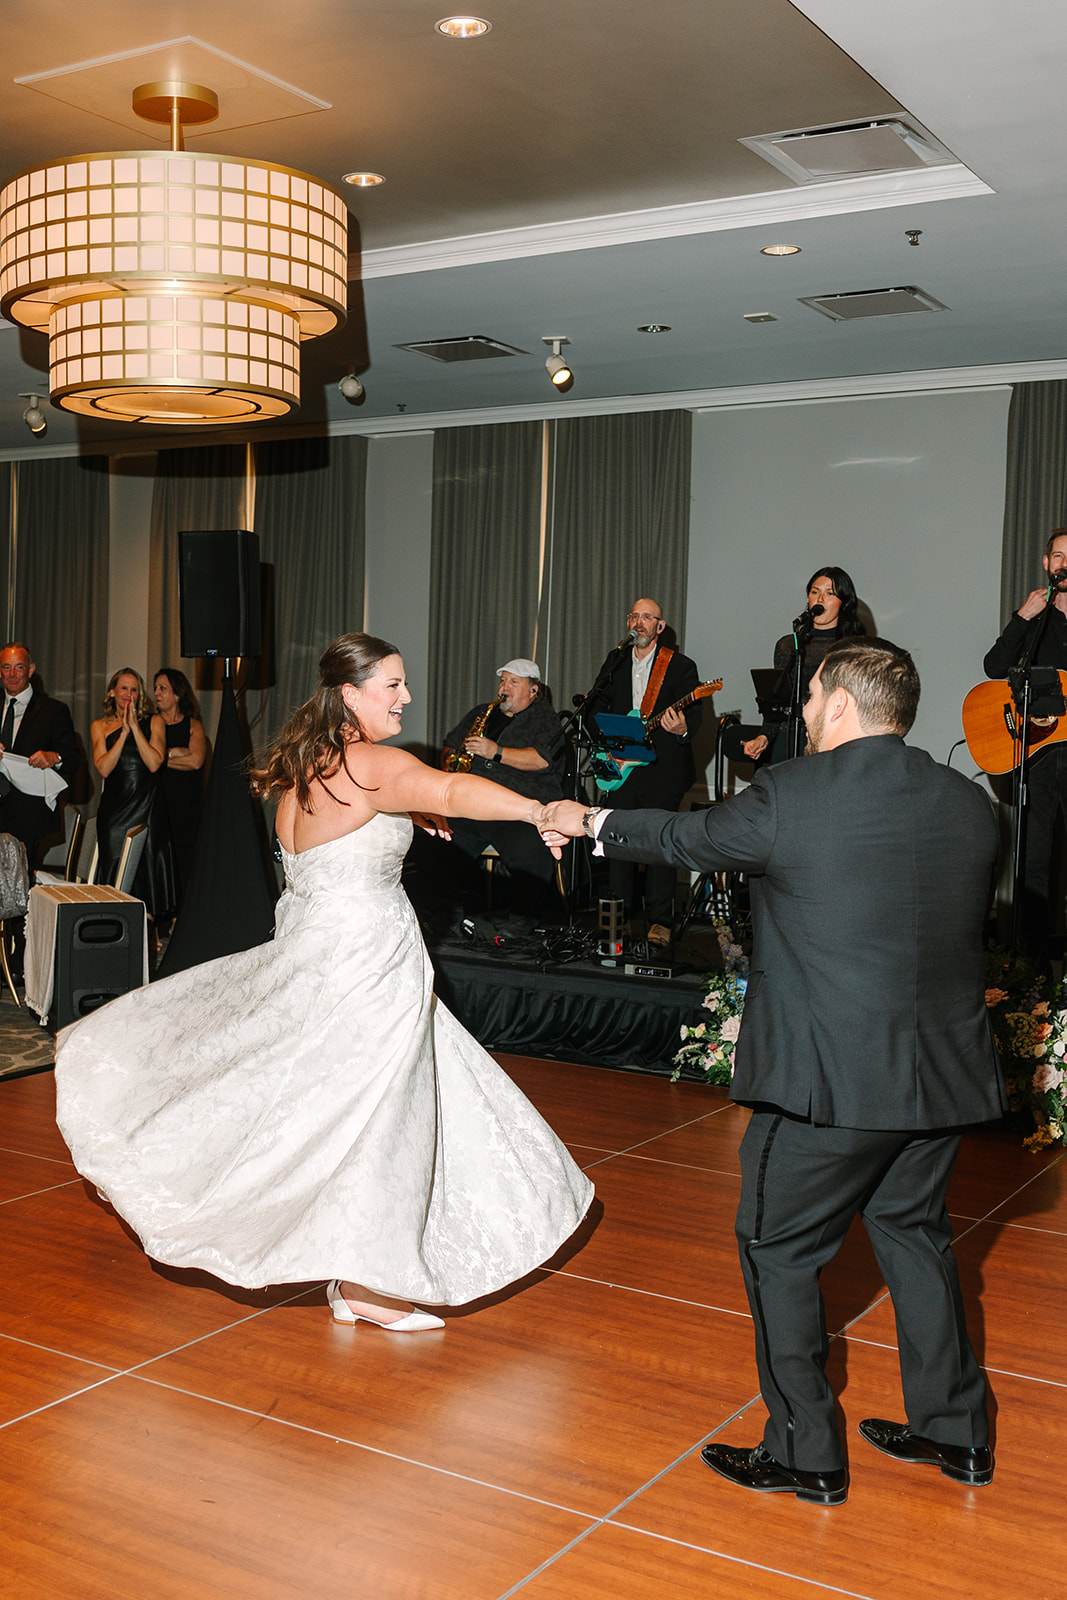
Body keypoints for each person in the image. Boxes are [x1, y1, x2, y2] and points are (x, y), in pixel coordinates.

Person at [541, 638, 1004, 1504]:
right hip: (938, 1078)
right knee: (915, 1237)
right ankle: (955, 1434)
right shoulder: (970, 804)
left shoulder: (792, 794)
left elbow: (688, 838)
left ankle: (803, 1450)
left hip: (827, 1086)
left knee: (778, 1250)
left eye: (813, 695)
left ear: (835, 704)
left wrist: (587, 819)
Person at [55, 633, 593, 1331]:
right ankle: (367, 1285)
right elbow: (453, 787)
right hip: (364, 958)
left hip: (318, 949)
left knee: (339, 1104)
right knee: (380, 1112)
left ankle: (357, 1273)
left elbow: (364, 824)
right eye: (391, 685)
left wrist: (405, 809)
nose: (405, 696)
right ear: (350, 693)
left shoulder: (306, 766)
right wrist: (539, 810)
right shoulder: (376, 764)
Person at [589, 599, 700, 946]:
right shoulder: (616, 660)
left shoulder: (680, 666)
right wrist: (604, 742)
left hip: (662, 769)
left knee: (659, 844)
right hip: (622, 765)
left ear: (660, 627)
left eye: (647, 617)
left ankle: (659, 921)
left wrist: (682, 727)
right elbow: (595, 705)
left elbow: (694, 717)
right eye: (634, 616)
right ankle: (617, 919)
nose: (639, 622)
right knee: (618, 841)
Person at [983, 526, 1067, 956]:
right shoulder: (1036, 618)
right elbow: (995, 666)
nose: (1064, 563)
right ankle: (1030, 962)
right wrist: (1023, 615)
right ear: (1045, 564)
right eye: (1057, 556)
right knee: (1033, 857)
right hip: (1037, 754)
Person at [440, 659, 566, 911]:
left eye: (514, 682)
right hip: (471, 805)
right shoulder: (480, 712)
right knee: (437, 842)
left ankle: (522, 923)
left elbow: (541, 760)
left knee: (529, 850)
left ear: (533, 691)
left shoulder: (546, 719)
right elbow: (450, 744)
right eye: (503, 680)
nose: (504, 687)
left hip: (516, 810)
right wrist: (449, 766)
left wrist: (496, 751)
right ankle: (444, 914)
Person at [736, 566, 865, 765]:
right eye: (815, 592)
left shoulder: (851, 647)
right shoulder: (788, 645)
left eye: (830, 593)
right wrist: (764, 737)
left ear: (844, 602)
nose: (820, 599)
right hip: (789, 737)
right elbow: (780, 700)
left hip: (831, 742)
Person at [91, 668, 175, 915]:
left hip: (146, 806)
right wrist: (123, 734)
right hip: (114, 811)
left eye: (134, 689)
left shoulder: (155, 722)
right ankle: (114, 923)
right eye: (124, 688)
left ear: (140, 695)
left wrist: (135, 728)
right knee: (115, 871)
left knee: (144, 869)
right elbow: (104, 768)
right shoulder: (100, 726)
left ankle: (149, 933)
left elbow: (154, 763)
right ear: (113, 692)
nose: (129, 694)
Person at [0, 640, 84, 869]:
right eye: (7, 667)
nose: (13, 674)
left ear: (31, 669)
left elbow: (73, 759)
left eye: (19, 667)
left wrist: (54, 757)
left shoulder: (53, 711)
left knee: (17, 884)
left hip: (29, 815)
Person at [153, 667, 208, 904]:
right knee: (159, 864)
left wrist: (161, 759)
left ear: (177, 694)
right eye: (155, 688)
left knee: (185, 863)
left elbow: (196, 761)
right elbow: (149, 763)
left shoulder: (193, 725)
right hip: (158, 805)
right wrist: (174, 755)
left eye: (162, 688)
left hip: (186, 807)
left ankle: (182, 919)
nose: (156, 693)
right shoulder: (152, 725)